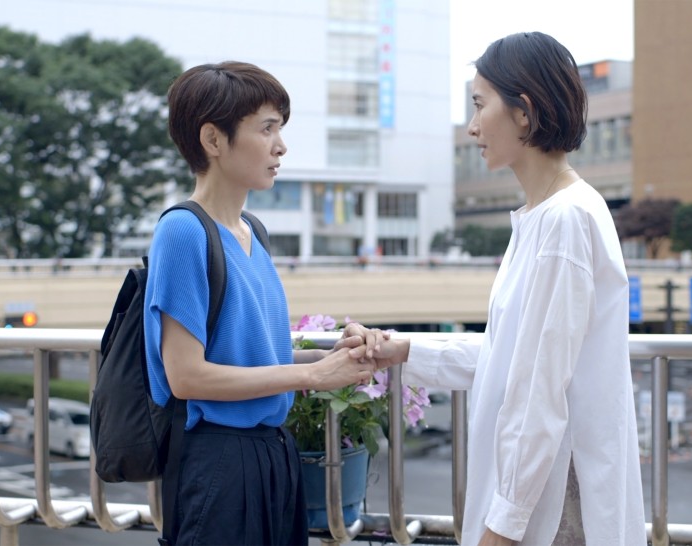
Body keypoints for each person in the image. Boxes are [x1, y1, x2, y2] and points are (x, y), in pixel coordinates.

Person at [352, 33, 646, 545]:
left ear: (524, 112)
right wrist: (405, 350)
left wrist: (500, 532)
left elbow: (539, 392)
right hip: (548, 500)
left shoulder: (564, 222)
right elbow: (512, 357)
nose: (471, 127)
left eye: (479, 105)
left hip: (558, 510)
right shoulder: (546, 216)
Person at [145, 61, 380, 546]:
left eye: (280, 128)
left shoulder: (255, 233)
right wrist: (312, 377)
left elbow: (249, 358)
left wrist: (330, 357)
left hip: (272, 454)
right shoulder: (184, 231)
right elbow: (187, 376)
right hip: (217, 461)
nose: (281, 145)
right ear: (213, 139)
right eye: (266, 128)